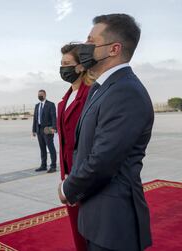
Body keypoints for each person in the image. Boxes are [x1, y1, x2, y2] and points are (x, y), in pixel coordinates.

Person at [58, 14, 154, 251]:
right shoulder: (102, 88)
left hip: (115, 224)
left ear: (114, 49)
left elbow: (103, 160)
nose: (84, 46)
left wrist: (67, 188)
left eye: (91, 41)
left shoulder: (125, 92)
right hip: (96, 216)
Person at [57, 42, 95, 251]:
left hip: (86, 178)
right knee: (78, 235)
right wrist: (65, 180)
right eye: (61, 63)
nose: (62, 68)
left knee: (93, 235)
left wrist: (78, 180)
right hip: (68, 178)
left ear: (81, 66)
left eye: (67, 63)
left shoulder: (91, 95)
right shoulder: (65, 100)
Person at [32, 90, 57, 173]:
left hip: (47, 129)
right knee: (42, 148)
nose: (40, 96)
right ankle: (43, 165)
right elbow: (35, 118)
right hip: (39, 130)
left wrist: (54, 128)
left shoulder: (50, 104)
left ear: (45, 95)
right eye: (38, 95)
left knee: (50, 148)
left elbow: (54, 117)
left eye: (41, 95)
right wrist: (34, 130)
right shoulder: (37, 106)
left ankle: (53, 166)